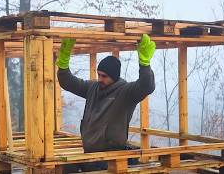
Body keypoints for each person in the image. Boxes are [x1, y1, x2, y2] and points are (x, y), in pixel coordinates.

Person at [56, 34, 156, 173]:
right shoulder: (93, 88)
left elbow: (147, 86)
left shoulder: (125, 92)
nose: (100, 79)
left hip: (110, 158)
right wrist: (63, 62)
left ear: (114, 77)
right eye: (99, 74)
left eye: (104, 76)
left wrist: (144, 64)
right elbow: (68, 82)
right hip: (90, 155)